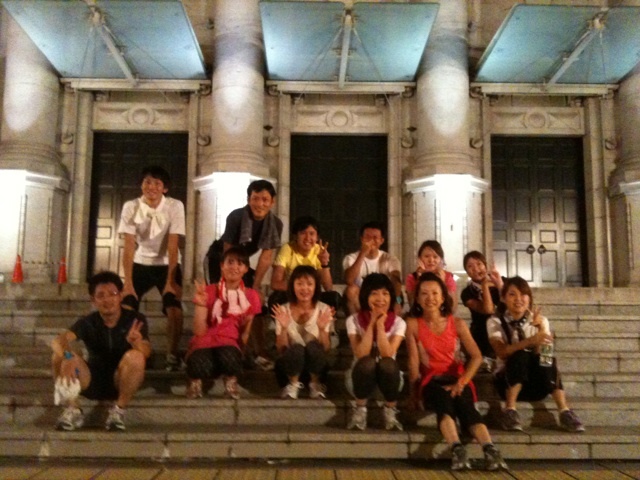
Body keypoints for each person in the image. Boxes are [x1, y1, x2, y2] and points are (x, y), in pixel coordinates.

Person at [406, 272, 507, 471]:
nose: (430, 298)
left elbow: (476, 356)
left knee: (466, 406)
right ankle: (457, 449)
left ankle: (490, 449)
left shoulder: (457, 323)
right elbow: (413, 362)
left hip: (458, 377)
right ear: (416, 298)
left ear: (443, 297)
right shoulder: (413, 324)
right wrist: (413, 393)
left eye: (435, 293)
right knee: (444, 400)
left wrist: (461, 382)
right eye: (424, 293)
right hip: (431, 380)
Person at [51, 271, 151, 431]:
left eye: (113, 294)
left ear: (121, 296)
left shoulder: (134, 319)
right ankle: (72, 409)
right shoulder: (88, 322)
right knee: (59, 356)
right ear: (93, 300)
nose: (107, 300)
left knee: (136, 356)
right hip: (91, 379)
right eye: (101, 295)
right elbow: (58, 340)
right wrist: (68, 356)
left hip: (121, 380)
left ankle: (118, 411)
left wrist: (137, 343)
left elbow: (146, 352)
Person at [487, 276, 585, 433]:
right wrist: (530, 341)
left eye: (523, 294)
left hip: (538, 384)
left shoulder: (541, 320)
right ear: (503, 298)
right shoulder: (495, 322)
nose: (518, 299)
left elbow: (545, 356)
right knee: (520, 354)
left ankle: (565, 411)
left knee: (547, 359)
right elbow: (501, 352)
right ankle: (510, 410)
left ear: (529, 298)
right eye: (512, 294)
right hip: (506, 382)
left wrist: (541, 332)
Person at [118, 165, 185, 371]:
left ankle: (172, 354)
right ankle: (136, 350)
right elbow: (129, 245)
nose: (152, 187)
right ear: (141, 185)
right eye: (147, 182)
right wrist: (128, 282)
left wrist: (170, 282)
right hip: (140, 262)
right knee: (127, 306)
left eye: (157, 183)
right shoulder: (131, 206)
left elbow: (173, 244)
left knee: (174, 308)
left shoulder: (175, 206)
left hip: (167, 264)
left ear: (165, 188)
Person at [214, 179, 283, 370]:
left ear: (272, 202)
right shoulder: (236, 217)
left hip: (242, 262)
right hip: (220, 260)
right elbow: (228, 252)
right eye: (255, 198)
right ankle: (226, 349)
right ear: (248, 199)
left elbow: (266, 257)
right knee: (226, 300)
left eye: (265, 199)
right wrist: (231, 282)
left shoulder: (275, 223)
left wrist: (256, 286)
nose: (260, 204)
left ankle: (259, 351)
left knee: (256, 302)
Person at [186, 247, 262, 399]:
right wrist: (200, 304)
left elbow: (246, 331)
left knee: (229, 358)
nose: (235, 267)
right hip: (206, 340)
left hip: (229, 341)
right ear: (222, 265)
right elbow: (199, 331)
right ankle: (195, 382)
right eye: (230, 262)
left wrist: (240, 353)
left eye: (240, 263)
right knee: (200, 363)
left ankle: (230, 381)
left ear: (246, 269)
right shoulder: (207, 291)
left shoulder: (251, 295)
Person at [345, 273, 405, 431]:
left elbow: (387, 353)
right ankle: (359, 410)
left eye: (385, 293)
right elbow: (360, 354)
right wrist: (372, 323)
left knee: (388, 363)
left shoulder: (399, 322)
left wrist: (380, 326)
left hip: (389, 383)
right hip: (359, 381)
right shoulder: (353, 320)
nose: (380, 299)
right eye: (374, 293)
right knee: (367, 362)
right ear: (365, 296)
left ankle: (390, 410)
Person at [271, 265, 335, 399]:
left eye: (309, 284)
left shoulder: (324, 309)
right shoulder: (283, 310)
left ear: (316, 287)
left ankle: (315, 385)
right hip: (290, 368)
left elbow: (326, 349)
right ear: (292, 286)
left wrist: (322, 329)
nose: (305, 288)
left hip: (316, 368)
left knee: (313, 347)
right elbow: (281, 349)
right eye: (300, 284)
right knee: (297, 349)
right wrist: (284, 328)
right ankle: (293, 385)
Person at [270, 216, 341, 312]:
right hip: (293, 295)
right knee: (275, 299)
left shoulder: (319, 250)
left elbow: (328, 287)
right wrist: (300, 289)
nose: (307, 238)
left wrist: (324, 264)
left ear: (317, 237)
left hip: (313, 295)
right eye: (303, 233)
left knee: (334, 298)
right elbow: (275, 283)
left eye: (311, 234)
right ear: (295, 236)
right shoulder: (287, 249)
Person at [343, 221, 402, 314]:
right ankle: (360, 320)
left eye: (375, 238)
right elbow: (349, 280)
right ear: (362, 239)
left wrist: (398, 301)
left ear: (382, 240)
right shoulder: (351, 258)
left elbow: (396, 282)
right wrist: (362, 254)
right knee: (351, 290)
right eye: (367, 237)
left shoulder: (390, 259)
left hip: (382, 298)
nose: (371, 241)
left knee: (396, 293)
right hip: (361, 299)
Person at [460, 251, 503, 366]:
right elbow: (488, 310)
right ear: (467, 272)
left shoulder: (501, 281)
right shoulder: (467, 293)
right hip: (481, 334)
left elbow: (510, 302)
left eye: (479, 264)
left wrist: (499, 284)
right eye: (470, 266)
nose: (475, 269)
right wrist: (485, 285)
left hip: (504, 330)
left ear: (485, 265)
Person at [405, 240, 457, 311]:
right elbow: (412, 304)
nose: (431, 260)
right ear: (419, 259)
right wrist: (420, 278)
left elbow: (452, 308)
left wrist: (442, 283)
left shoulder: (447, 277)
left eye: (435, 257)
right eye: (426, 256)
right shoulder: (412, 278)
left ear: (441, 260)